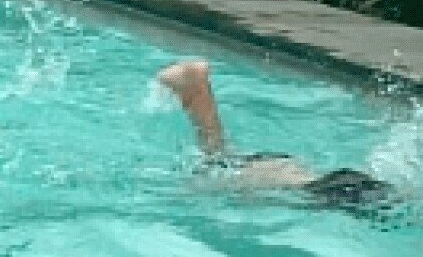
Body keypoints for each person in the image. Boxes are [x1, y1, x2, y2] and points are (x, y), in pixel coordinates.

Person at [156, 59, 399, 211]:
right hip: (331, 188)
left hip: (326, 184)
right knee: (218, 169)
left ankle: (196, 90)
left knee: (219, 164)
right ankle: (196, 90)